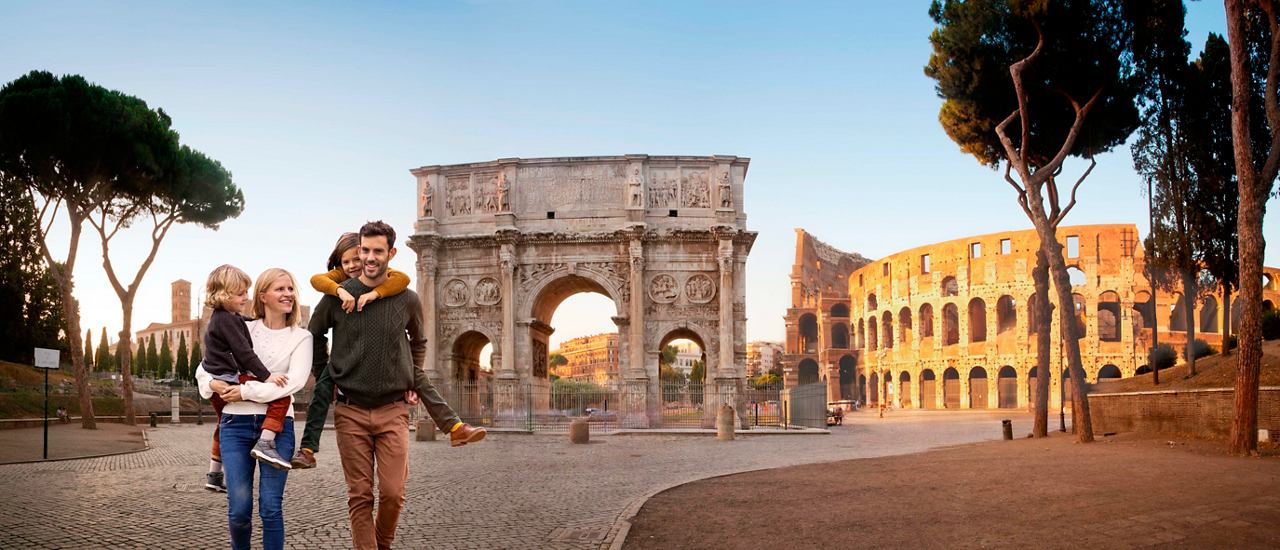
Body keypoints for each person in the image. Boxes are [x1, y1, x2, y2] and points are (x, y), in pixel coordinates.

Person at [309, 220, 484, 550]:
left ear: (391, 252)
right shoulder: (336, 297)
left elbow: (419, 341)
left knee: (392, 493)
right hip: (351, 411)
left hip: (393, 411)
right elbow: (314, 335)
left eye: (378, 251)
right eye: (365, 250)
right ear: (358, 251)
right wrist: (324, 374)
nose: (370, 257)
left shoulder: (408, 299)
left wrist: (411, 376)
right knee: (360, 496)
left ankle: (383, 543)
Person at [293, 232, 477, 470]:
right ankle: (307, 449)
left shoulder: (395, 284)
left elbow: (403, 280)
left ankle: (454, 427)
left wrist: (375, 293)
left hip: (393, 366)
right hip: (344, 368)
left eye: (356, 260)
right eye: (346, 261)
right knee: (320, 393)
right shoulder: (337, 284)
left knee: (419, 377)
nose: (352, 266)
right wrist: (321, 368)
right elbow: (317, 285)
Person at [197, 268, 312, 550]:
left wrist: (245, 391)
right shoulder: (240, 325)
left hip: (277, 428)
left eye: (290, 289)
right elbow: (203, 369)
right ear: (263, 295)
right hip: (235, 425)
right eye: (280, 289)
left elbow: (292, 384)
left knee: (270, 508)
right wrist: (213, 385)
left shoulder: (302, 337)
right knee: (239, 510)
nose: (288, 294)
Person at [202, 265, 294, 493]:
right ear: (225, 294)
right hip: (227, 379)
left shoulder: (226, 317)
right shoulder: (228, 320)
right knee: (282, 397)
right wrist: (267, 376)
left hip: (218, 378)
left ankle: (214, 474)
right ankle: (266, 441)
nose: (246, 297)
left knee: (222, 424)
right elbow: (244, 353)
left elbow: (241, 323)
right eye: (241, 293)